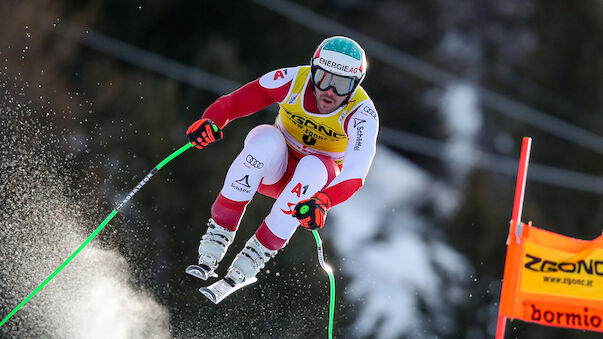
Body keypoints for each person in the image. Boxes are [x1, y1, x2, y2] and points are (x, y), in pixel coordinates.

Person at [186, 36, 379, 287]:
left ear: (355, 85)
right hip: (273, 169)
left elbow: (356, 172)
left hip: (309, 187)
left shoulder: (362, 113)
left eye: (341, 85)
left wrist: (324, 201)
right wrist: (211, 121)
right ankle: (217, 235)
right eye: (323, 79)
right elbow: (233, 103)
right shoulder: (293, 80)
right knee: (265, 136)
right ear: (313, 71)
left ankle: (255, 256)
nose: (330, 91)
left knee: (313, 167)